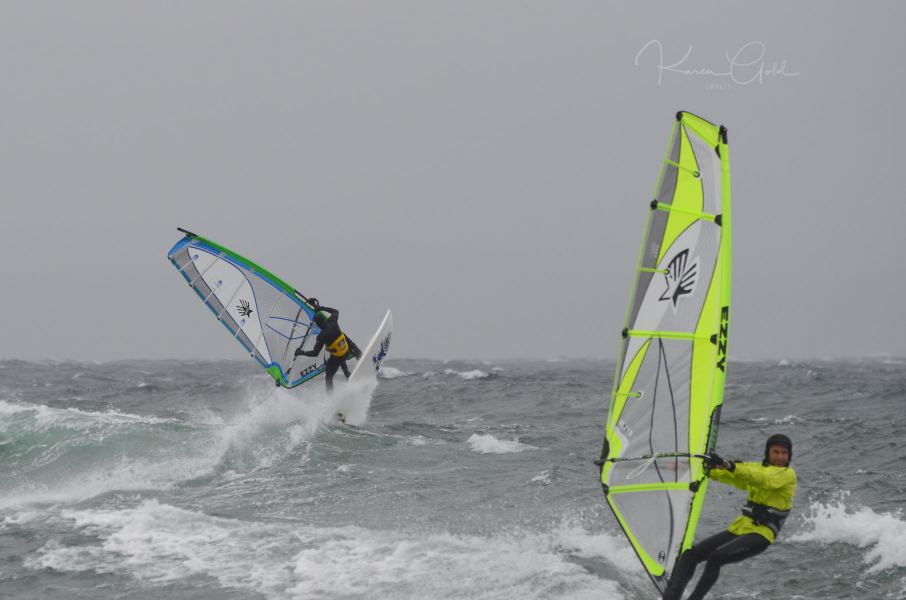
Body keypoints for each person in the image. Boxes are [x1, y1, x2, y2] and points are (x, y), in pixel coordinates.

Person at [662, 434, 797, 600]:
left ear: (789, 455)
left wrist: (730, 465)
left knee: (716, 556)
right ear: (768, 452)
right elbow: (738, 476)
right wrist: (691, 466)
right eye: (776, 452)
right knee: (690, 555)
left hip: (762, 534)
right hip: (741, 528)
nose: (780, 457)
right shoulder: (757, 468)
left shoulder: (787, 475)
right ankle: (671, 596)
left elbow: (761, 478)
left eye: (784, 453)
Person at [294, 299, 362, 392]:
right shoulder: (333, 321)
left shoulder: (322, 336)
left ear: (318, 324)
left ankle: (331, 398)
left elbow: (315, 353)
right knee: (342, 338)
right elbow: (335, 311)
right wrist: (320, 308)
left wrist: (301, 352)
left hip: (337, 357)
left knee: (328, 378)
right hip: (346, 351)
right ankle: (357, 357)